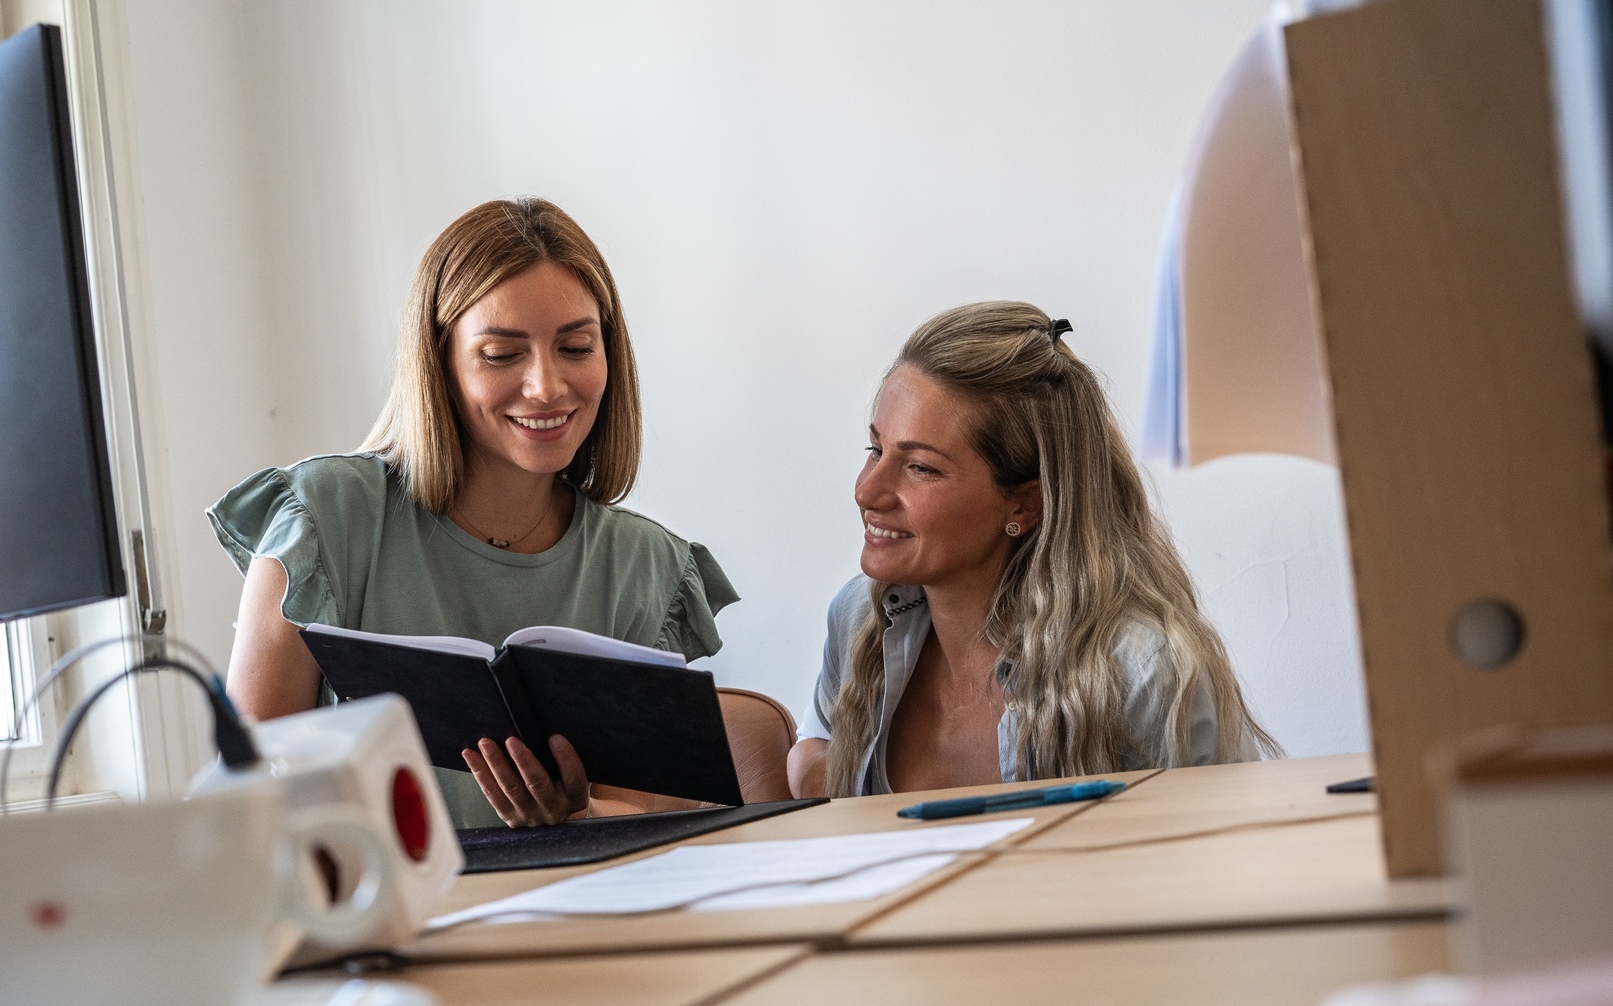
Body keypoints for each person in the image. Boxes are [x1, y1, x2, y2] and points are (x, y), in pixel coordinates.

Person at [212, 197, 737, 828]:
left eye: (576, 346)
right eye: (501, 354)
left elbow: (651, 817)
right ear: (439, 364)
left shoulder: (645, 566)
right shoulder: (328, 519)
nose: (546, 386)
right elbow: (246, 795)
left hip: (581, 895)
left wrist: (580, 815)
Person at [789, 301, 1274, 799]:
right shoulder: (860, 618)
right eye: (875, 450)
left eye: (921, 468)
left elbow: (1223, 841)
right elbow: (816, 744)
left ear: (1027, 503)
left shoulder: (1142, 670)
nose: (866, 491)